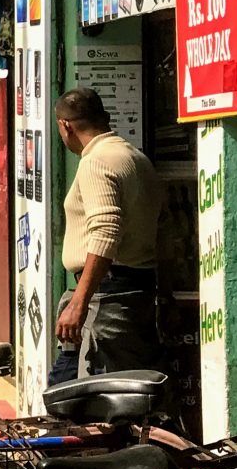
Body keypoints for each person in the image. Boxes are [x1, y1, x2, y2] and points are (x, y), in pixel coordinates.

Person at [52, 87, 164, 384]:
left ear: (65, 126)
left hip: (106, 295)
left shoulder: (96, 162)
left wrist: (79, 301)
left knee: (87, 399)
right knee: (69, 387)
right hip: (135, 289)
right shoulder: (135, 157)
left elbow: (105, 230)